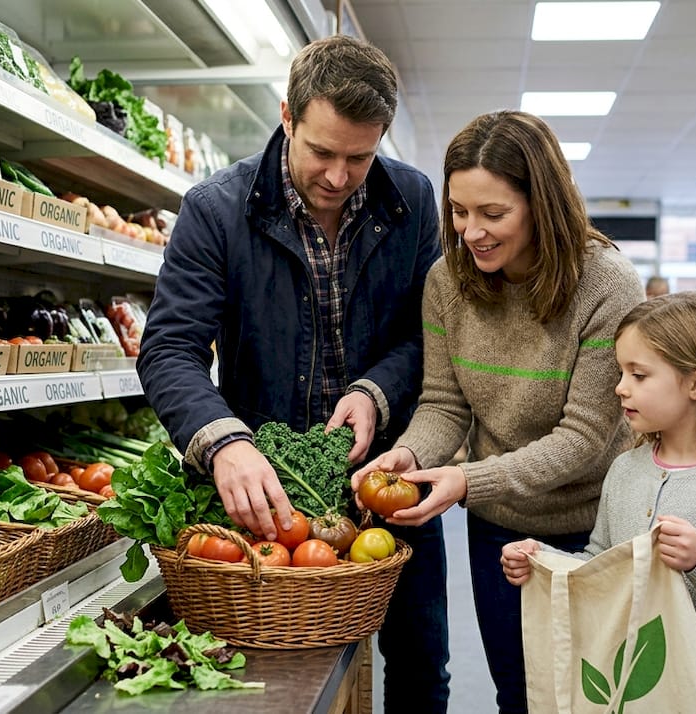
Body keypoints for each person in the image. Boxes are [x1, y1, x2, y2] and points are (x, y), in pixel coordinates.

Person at [135, 35, 449, 712]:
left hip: (387, 478)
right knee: (275, 680)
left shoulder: (414, 202)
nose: (339, 176)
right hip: (265, 494)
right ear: (287, 116)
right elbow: (167, 348)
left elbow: (430, 337)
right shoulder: (216, 209)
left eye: (360, 157)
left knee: (423, 665)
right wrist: (224, 439)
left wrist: (377, 391)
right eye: (323, 152)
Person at [353, 110, 644, 713]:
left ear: (543, 203)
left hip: (597, 526)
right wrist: (408, 454)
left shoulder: (607, 285)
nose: (472, 233)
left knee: (600, 698)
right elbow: (443, 404)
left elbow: (585, 436)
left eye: (494, 214)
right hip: (498, 527)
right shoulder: (448, 283)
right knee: (519, 691)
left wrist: (466, 480)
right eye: (459, 212)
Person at [499, 291, 696, 714]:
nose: (620, 387)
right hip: (628, 697)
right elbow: (602, 563)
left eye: (638, 375)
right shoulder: (624, 470)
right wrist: (543, 560)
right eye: (622, 372)